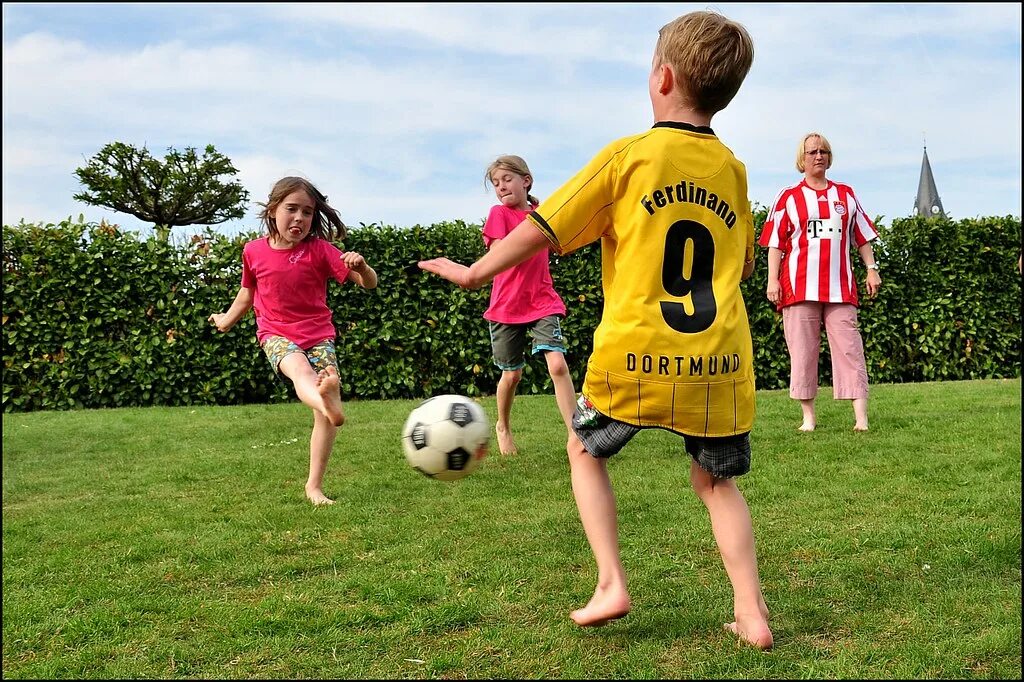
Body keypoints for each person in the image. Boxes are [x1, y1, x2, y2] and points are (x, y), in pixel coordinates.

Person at [419, 10, 772, 649]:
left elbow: (544, 226)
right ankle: (751, 613)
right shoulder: (735, 171)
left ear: (662, 77)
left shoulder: (628, 157)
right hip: (718, 363)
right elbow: (743, 264)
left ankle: (612, 581)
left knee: (584, 449)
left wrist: (476, 273)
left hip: (634, 357)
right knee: (716, 482)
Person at [209, 176, 378, 506]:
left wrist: (363, 265)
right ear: (273, 210)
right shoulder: (253, 251)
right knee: (301, 372)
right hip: (276, 334)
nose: (299, 218)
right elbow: (247, 293)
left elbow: (368, 283)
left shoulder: (319, 250)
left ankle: (314, 486)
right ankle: (328, 404)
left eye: (307, 212)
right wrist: (226, 320)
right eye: (291, 209)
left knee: (323, 410)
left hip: (318, 335)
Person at [759, 133, 881, 432]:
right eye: (812, 151)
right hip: (799, 288)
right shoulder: (788, 197)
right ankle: (808, 418)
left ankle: (861, 419)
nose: (818, 156)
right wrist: (772, 280)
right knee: (802, 351)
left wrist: (871, 268)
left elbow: (861, 235)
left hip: (841, 288)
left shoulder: (846, 195)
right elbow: (776, 242)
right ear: (802, 158)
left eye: (824, 151)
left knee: (850, 348)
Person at [481, 155, 577, 455]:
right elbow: (499, 253)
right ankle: (503, 426)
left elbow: (562, 242)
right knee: (511, 375)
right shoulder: (499, 213)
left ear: (526, 180)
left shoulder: (543, 213)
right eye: (496, 183)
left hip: (542, 300)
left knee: (558, 365)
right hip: (506, 305)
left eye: (506, 179)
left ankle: (577, 436)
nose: (500, 187)